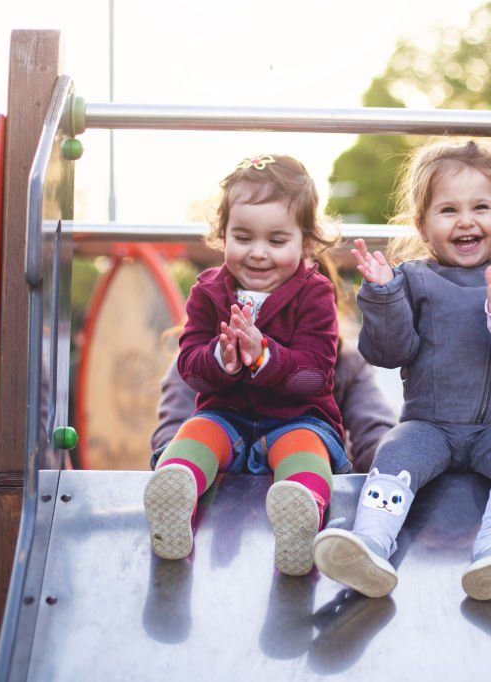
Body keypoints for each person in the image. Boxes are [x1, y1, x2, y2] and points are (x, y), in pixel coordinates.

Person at [312, 139, 491, 601]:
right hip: (428, 425)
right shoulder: (412, 281)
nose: (466, 221)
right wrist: (385, 296)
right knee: (393, 454)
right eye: (448, 210)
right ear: (423, 225)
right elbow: (387, 351)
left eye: (480, 207)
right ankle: (369, 545)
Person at [144, 154, 347, 576]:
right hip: (227, 417)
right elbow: (191, 369)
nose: (257, 254)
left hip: (298, 419)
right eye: (243, 237)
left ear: (306, 243)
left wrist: (264, 357)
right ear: (223, 235)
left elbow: (316, 373)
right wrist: (222, 358)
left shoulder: (315, 294)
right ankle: (175, 497)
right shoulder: (207, 292)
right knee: (197, 430)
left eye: (276, 241)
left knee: (303, 448)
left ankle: (301, 515)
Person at [151, 323, 397, 474]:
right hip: (218, 487)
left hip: (310, 475)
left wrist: (397, 468)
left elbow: (375, 430)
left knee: (305, 443)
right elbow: (172, 430)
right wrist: (186, 465)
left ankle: (304, 492)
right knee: (194, 439)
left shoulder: (343, 362)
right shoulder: (203, 361)